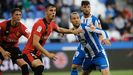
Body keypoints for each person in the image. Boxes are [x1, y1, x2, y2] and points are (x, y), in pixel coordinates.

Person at [22, 3, 82, 75]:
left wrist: (72, 31)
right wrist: (48, 54)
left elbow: (60, 29)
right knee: (39, 67)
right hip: (29, 52)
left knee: (39, 71)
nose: (53, 12)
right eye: (51, 10)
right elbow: (35, 43)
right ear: (46, 12)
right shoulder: (40, 24)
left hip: (37, 53)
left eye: (54, 10)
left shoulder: (51, 24)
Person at [70, 1, 111, 75]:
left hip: (95, 49)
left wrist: (100, 42)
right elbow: (75, 28)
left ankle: (99, 64)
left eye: (88, 7)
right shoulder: (80, 18)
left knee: (105, 72)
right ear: (81, 8)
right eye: (85, 7)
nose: (87, 9)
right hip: (84, 48)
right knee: (74, 65)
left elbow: (100, 32)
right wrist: (65, 32)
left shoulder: (94, 19)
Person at [0, 8, 30, 75]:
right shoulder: (3, 25)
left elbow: (31, 38)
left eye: (20, 15)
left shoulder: (22, 28)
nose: (18, 16)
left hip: (13, 47)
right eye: (16, 15)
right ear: (12, 15)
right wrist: (2, 51)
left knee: (24, 66)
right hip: (1, 46)